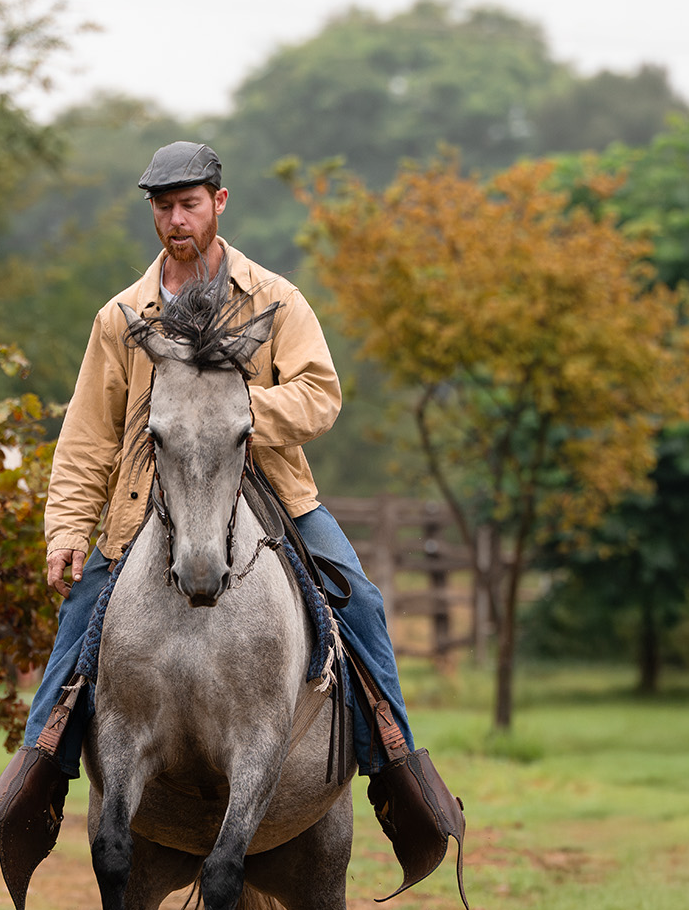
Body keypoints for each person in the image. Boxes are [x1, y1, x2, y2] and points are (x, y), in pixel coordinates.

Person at [24, 139, 416, 778]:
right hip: (144, 502)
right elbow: (89, 433)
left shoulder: (276, 299)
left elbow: (320, 394)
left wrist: (232, 419)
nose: (177, 221)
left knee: (363, 603)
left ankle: (397, 772)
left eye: (190, 205)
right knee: (79, 620)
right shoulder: (121, 318)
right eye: (164, 207)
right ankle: (34, 781)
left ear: (219, 203)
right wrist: (67, 528)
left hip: (272, 490)